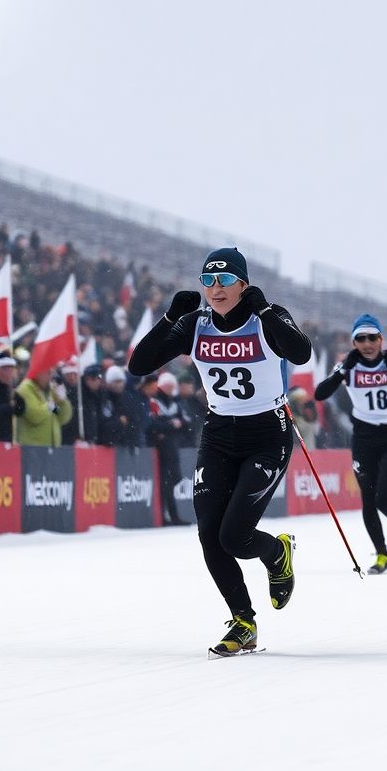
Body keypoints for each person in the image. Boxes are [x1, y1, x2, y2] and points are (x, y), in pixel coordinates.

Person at [129, 247, 312, 657]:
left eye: (226, 280)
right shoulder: (196, 324)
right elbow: (139, 364)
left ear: (243, 285)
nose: (216, 289)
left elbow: (300, 352)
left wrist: (264, 311)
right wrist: (169, 318)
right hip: (217, 436)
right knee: (210, 535)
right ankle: (243, 621)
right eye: (208, 281)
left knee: (235, 536)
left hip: (267, 433)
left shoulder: (268, 315)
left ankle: (276, 551)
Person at [314, 313, 387, 575]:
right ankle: (381, 556)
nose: (367, 344)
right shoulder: (349, 365)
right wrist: (342, 371)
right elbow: (320, 394)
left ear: (381, 339)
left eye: (372, 338)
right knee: (368, 500)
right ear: (354, 342)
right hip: (364, 437)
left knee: (382, 499)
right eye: (361, 339)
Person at [148, 371, 192, 525]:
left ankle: (173, 516)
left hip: (172, 448)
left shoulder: (175, 402)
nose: (170, 389)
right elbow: (153, 424)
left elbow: (187, 421)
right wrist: (171, 424)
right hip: (160, 450)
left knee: (172, 482)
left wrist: (168, 425)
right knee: (163, 484)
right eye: (167, 386)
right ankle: (164, 516)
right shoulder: (154, 401)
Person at [16, 366, 73, 446]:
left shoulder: (50, 390)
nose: (51, 377)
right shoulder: (25, 388)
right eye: (48, 373)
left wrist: (63, 401)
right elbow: (34, 415)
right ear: (38, 373)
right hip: (31, 447)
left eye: (52, 373)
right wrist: (52, 404)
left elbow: (62, 418)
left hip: (51, 447)